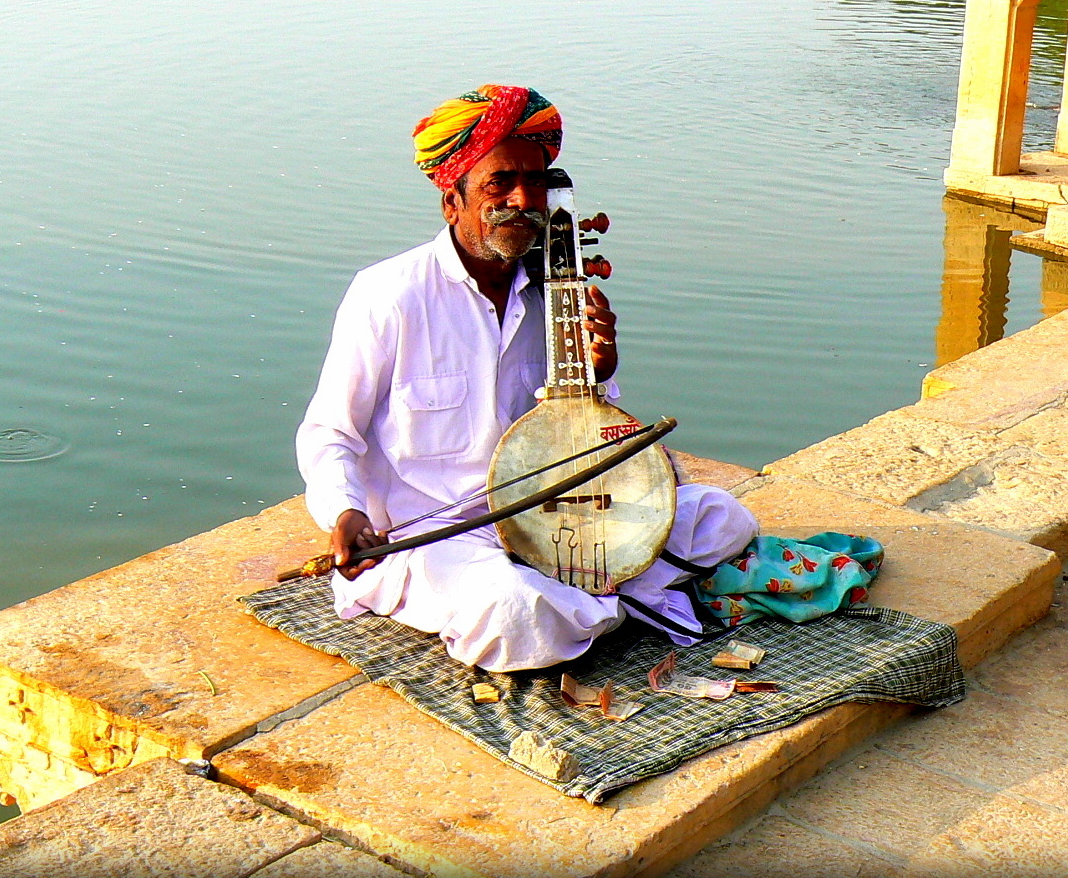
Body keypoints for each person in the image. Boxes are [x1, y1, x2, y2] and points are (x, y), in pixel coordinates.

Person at [296, 83, 758, 672]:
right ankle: (617, 604)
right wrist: (346, 513)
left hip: (553, 513)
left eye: (537, 182)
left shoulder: (553, 290)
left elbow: (574, 429)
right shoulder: (389, 295)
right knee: (511, 612)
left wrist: (599, 376)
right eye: (500, 184)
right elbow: (330, 431)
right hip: (446, 533)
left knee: (722, 517)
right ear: (452, 200)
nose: (524, 198)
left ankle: (587, 603)